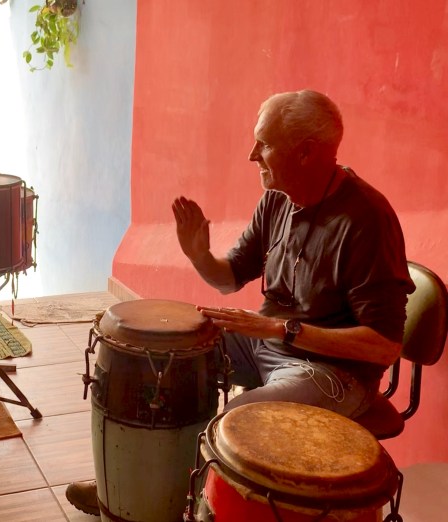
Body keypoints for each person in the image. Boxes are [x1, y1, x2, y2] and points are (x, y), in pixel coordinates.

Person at [65, 89, 415, 515]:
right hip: (267, 341)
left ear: (306, 152)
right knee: (167, 356)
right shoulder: (278, 197)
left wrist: (281, 329)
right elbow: (228, 278)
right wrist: (199, 255)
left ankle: (189, 510)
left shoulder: (367, 219)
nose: (252, 155)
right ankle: (128, 489)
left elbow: (383, 346)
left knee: (236, 419)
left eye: (263, 144)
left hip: (332, 371)